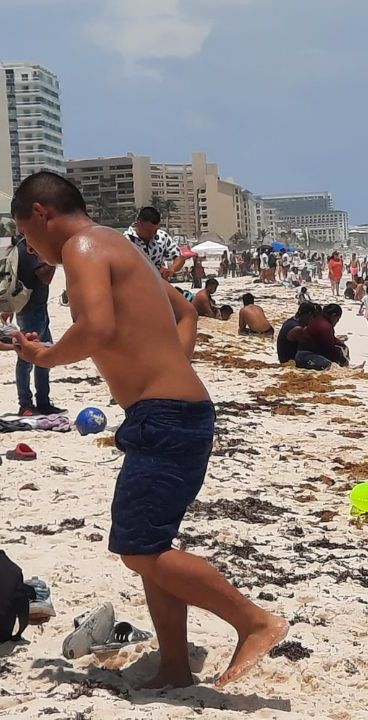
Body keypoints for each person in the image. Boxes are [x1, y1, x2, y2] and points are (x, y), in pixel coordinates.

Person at [6, 171, 287, 688]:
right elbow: (182, 310)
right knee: (151, 548)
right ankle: (176, 665)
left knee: (139, 549)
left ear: (42, 213)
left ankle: (254, 622)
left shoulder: (84, 246)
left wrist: (45, 356)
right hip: (171, 412)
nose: (29, 245)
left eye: (25, 233)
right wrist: (167, 361)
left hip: (165, 417)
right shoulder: (120, 245)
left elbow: (96, 328)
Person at [12, 234, 63, 416]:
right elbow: (45, 277)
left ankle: (42, 402)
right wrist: (54, 258)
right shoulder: (28, 248)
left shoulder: (28, 245)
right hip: (30, 310)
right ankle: (25, 404)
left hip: (38, 309)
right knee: (27, 358)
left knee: (45, 356)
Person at [124, 206, 186, 280]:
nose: (152, 234)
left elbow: (179, 257)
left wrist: (171, 269)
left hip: (158, 283)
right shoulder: (125, 240)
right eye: (149, 231)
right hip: (134, 283)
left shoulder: (162, 236)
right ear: (139, 223)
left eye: (155, 230)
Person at [296, 304, 348, 370]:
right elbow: (330, 348)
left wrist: (339, 342)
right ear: (333, 316)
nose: (336, 322)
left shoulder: (319, 319)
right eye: (337, 319)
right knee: (332, 368)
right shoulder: (325, 326)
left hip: (303, 354)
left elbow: (330, 341)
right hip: (307, 356)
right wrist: (343, 360)